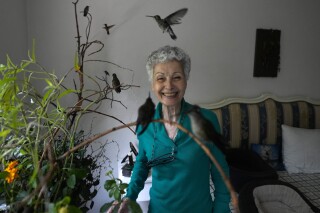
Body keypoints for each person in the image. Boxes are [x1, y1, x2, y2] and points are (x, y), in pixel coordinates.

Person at [112, 45, 230, 213]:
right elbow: (142, 162)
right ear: (153, 84)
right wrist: (129, 196)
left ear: (186, 80)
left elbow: (221, 173)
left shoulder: (207, 120)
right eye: (160, 78)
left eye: (177, 77)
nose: (169, 86)